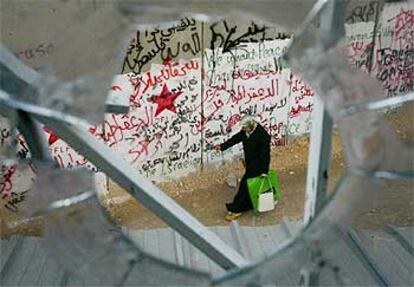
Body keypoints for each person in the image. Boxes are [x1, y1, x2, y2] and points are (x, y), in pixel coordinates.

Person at [213, 115, 271, 221]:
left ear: (250, 126)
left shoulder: (262, 135)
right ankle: (248, 204)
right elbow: (236, 139)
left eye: (244, 127)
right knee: (251, 186)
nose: (243, 129)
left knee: (244, 187)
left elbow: (265, 154)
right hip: (250, 163)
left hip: (258, 166)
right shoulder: (246, 132)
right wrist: (222, 146)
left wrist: (264, 171)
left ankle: (236, 209)